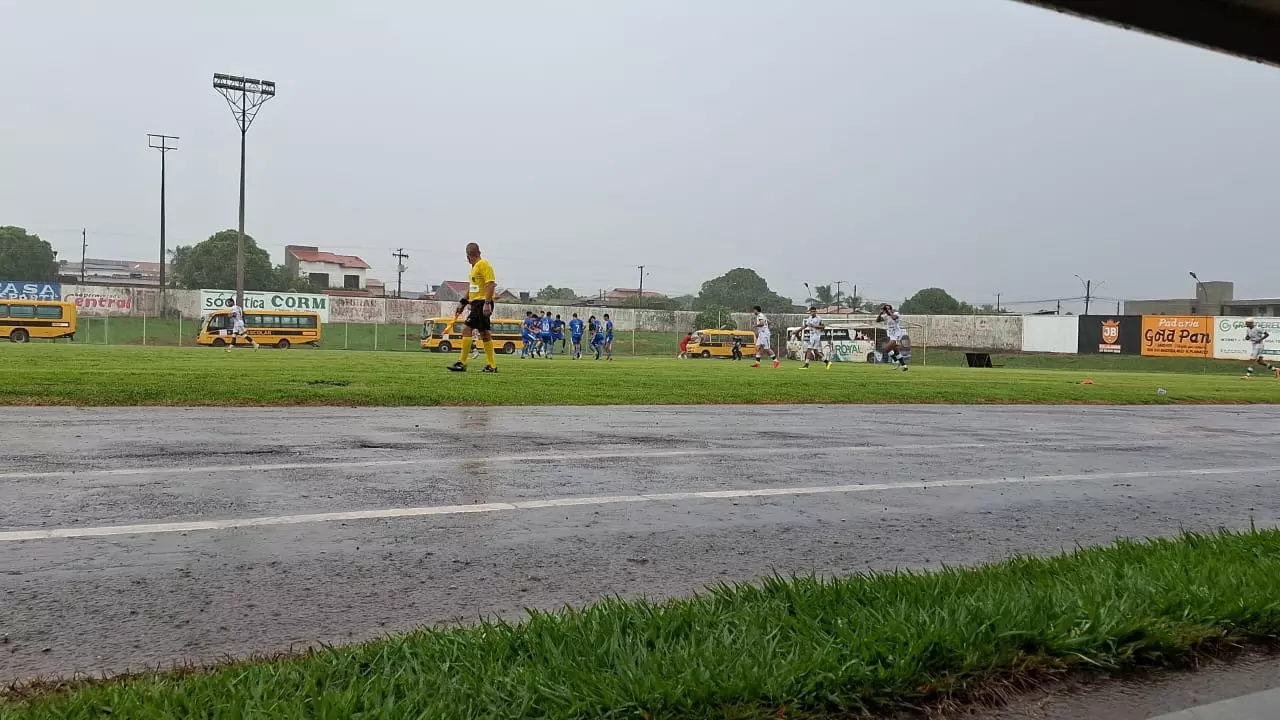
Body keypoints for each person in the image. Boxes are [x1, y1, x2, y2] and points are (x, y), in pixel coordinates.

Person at [446, 243, 498, 373]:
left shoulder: (483, 264)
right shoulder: (475, 268)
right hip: (476, 303)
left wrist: (487, 303)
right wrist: (463, 302)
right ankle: (491, 366)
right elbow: (472, 288)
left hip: (481, 303)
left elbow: (491, 284)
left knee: (466, 329)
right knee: (484, 333)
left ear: (468, 256)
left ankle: (462, 363)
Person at [877, 303, 910, 372]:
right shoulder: (886, 316)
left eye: (888, 308)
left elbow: (894, 318)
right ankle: (904, 366)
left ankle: (896, 362)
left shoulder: (896, 313)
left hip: (897, 335)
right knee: (896, 351)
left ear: (891, 309)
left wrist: (889, 312)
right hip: (891, 336)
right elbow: (878, 320)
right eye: (886, 309)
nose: (887, 310)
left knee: (886, 348)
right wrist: (880, 314)